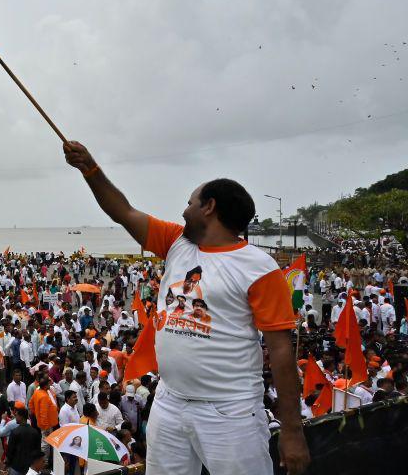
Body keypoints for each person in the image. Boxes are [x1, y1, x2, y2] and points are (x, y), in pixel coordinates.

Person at [63, 140, 311, 475]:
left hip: (231, 412)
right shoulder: (177, 243)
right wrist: (89, 169)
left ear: (209, 207)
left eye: (189, 202)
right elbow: (122, 211)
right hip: (169, 402)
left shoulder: (259, 268)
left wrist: (292, 432)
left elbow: (282, 351)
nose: (183, 210)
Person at [4, 407, 40, 475]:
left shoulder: (15, 432)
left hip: (16, 467)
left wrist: (6, 465)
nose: (15, 418)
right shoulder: (35, 432)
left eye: (16, 415)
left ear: (21, 417)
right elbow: (38, 450)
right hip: (30, 467)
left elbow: (10, 451)